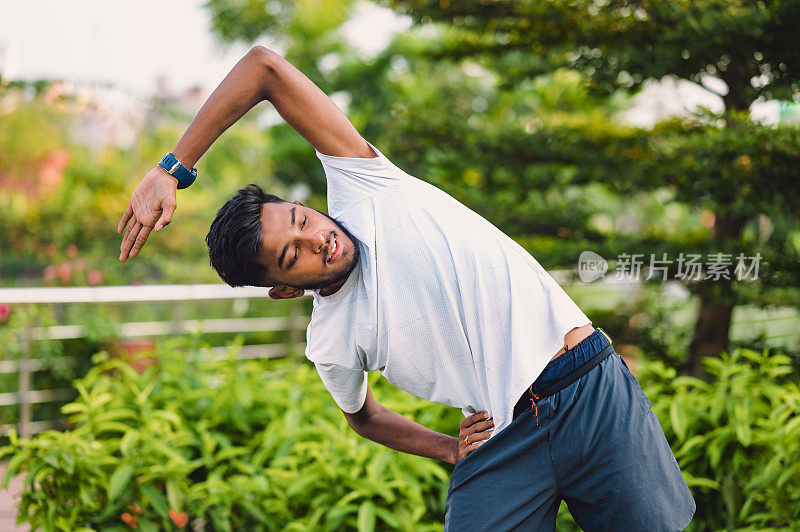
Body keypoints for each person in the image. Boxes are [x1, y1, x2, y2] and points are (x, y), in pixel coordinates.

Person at [118, 46, 695, 530]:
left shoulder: (365, 184)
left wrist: (174, 168)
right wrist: (446, 446)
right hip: (504, 435)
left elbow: (264, 69)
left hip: (587, 389)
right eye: (291, 256)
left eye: (301, 218)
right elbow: (361, 414)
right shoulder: (332, 341)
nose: (317, 238)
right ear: (284, 290)